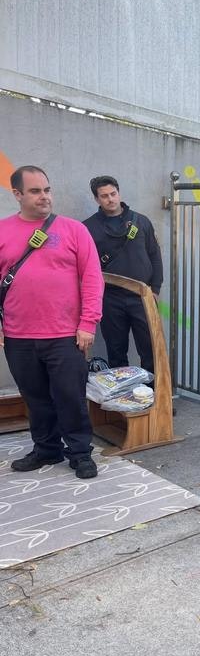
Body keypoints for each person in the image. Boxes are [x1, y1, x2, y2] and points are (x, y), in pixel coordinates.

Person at [0, 166, 103, 479]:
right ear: (17, 194)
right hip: (18, 335)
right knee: (36, 398)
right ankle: (46, 449)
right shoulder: (3, 231)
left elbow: (92, 278)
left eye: (46, 189)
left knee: (71, 397)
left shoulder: (73, 230)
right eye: (35, 191)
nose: (44, 196)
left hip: (66, 335)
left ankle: (80, 453)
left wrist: (88, 323)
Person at [83, 176, 163, 374]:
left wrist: (155, 289)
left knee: (150, 349)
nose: (110, 199)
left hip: (142, 296)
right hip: (110, 298)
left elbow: (154, 255)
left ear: (119, 193)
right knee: (116, 351)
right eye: (104, 196)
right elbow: (85, 266)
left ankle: (153, 392)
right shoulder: (88, 228)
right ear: (97, 199)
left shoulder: (141, 221)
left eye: (113, 194)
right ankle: (123, 393)